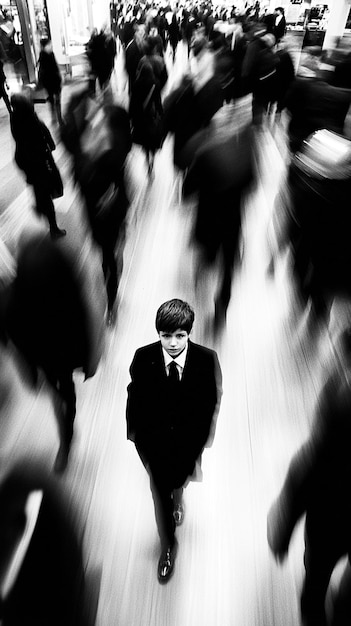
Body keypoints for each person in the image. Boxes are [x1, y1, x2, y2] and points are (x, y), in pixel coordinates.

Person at [126, 299, 222, 583]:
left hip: (187, 445)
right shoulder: (143, 358)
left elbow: (212, 402)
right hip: (154, 448)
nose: (172, 343)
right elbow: (134, 401)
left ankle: (178, 498)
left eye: (180, 335)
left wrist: (203, 442)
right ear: (158, 334)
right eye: (166, 335)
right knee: (160, 498)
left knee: (180, 481)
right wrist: (139, 443)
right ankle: (169, 545)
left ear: (189, 333)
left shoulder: (206, 360)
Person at [267, 317, 351, 626]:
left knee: (315, 584)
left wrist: (280, 534)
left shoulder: (321, 454)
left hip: (330, 526)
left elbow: (296, 490)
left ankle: (316, 614)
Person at [2, 228, 104, 473]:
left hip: (46, 360)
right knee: (66, 394)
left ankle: (66, 439)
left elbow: (13, 346)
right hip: (64, 356)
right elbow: (92, 319)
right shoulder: (71, 287)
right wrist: (92, 359)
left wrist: (28, 375)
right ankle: (67, 438)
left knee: (60, 393)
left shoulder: (11, 302)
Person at [10, 93, 66, 239]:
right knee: (46, 192)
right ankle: (53, 228)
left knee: (38, 188)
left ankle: (40, 207)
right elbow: (49, 140)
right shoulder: (34, 121)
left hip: (24, 161)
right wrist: (49, 146)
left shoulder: (15, 119)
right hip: (40, 162)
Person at [129, 58, 164, 175]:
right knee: (151, 137)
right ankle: (152, 156)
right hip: (151, 116)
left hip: (140, 117)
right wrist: (161, 113)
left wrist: (131, 117)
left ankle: (147, 155)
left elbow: (133, 102)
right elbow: (158, 101)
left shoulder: (136, 84)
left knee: (144, 138)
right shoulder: (156, 83)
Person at [37, 37, 62, 124]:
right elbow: (42, 71)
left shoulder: (51, 54)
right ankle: (54, 117)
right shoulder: (43, 56)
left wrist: (60, 76)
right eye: (49, 45)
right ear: (44, 46)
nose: (51, 46)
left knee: (57, 99)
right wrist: (40, 82)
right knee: (51, 100)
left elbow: (55, 66)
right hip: (49, 81)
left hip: (55, 80)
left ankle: (59, 117)